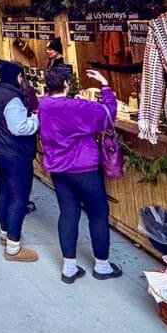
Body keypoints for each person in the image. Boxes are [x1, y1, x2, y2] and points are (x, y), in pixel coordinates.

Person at [39, 66, 122, 283]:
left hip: (59, 169)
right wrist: (105, 85)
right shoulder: (77, 106)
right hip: (84, 169)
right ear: (66, 84)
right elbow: (108, 114)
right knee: (97, 213)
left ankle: (69, 268)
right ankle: (102, 266)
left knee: (68, 213)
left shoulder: (44, 105)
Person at [0, 60, 40, 262]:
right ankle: (13, 248)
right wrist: (36, 120)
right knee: (19, 197)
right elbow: (19, 128)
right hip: (14, 153)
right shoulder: (12, 99)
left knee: (5, 190)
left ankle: (5, 233)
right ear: (17, 77)